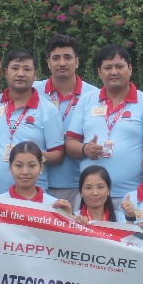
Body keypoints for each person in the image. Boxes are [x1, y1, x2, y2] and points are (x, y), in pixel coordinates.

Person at [66, 44, 143, 199]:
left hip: (131, 196)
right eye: (107, 67)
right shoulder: (87, 101)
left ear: (130, 69)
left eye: (119, 66)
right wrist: (85, 149)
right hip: (91, 197)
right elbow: (70, 143)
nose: (113, 72)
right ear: (99, 72)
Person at [0, 49, 65, 194]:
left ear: (35, 74)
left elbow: (58, 155)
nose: (20, 73)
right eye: (15, 68)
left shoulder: (48, 110)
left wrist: (36, 155)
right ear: (6, 72)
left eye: (27, 69)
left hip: (32, 198)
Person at [41, 35, 98, 202]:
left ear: (77, 62)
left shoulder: (94, 95)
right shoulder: (34, 91)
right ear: (48, 62)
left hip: (79, 185)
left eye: (67, 57)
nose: (62, 63)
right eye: (56, 58)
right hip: (39, 183)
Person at [0, 141, 65, 208]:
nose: (25, 172)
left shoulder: (54, 206)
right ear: (10, 168)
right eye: (18, 166)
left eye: (32, 165)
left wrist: (66, 213)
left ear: (41, 167)